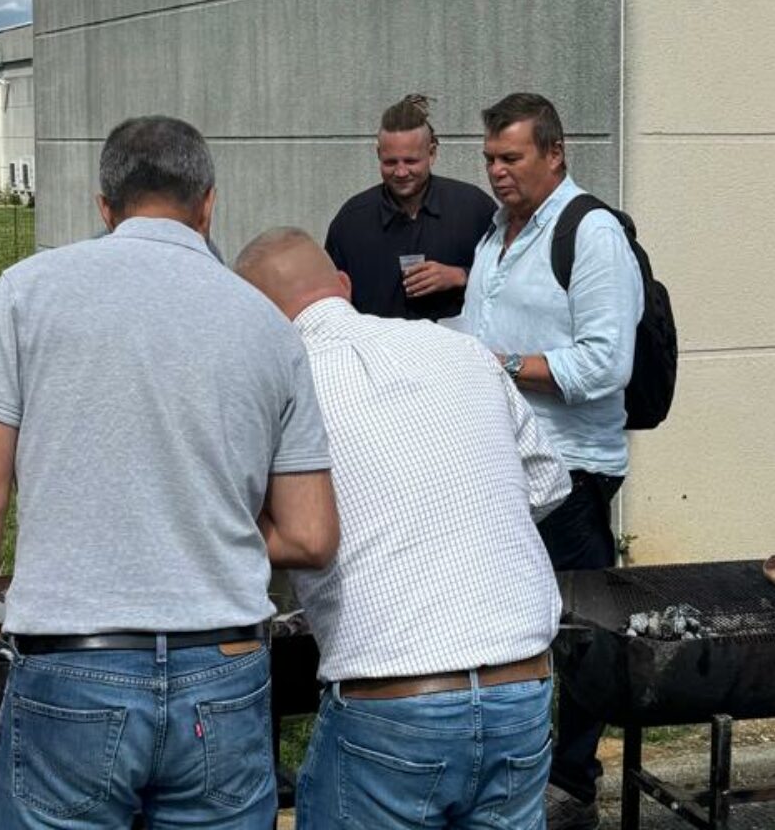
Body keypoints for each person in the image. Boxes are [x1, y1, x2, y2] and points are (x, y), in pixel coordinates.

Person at [0, 115, 340, 827]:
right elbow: (310, 534)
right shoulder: (270, 326)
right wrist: (195, 524)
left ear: (104, 205)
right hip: (225, 669)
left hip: (71, 673)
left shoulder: (24, 295)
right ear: (208, 203)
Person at [235, 227, 570, 828]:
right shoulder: (461, 347)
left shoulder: (280, 383)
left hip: (392, 697)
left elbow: (247, 520)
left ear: (258, 320)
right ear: (343, 285)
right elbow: (548, 481)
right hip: (522, 680)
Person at [458, 93, 642, 829]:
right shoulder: (497, 234)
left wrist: (492, 364)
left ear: (555, 153)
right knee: (512, 622)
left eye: (512, 158)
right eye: (491, 160)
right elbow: (478, 328)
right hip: (500, 459)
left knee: (580, 630)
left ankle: (573, 782)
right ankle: (515, 768)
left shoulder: (590, 232)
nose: (498, 172)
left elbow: (606, 362)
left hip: (569, 466)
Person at [324, 94, 497, 321]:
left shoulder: (474, 208)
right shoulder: (351, 221)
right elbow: (329, 299)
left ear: (432, 153)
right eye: (390, 162)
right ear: (378, 155)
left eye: (411, 161)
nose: (401, 172)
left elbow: (508, 283)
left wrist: (461, 276)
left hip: (452, 353)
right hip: (378, 353)